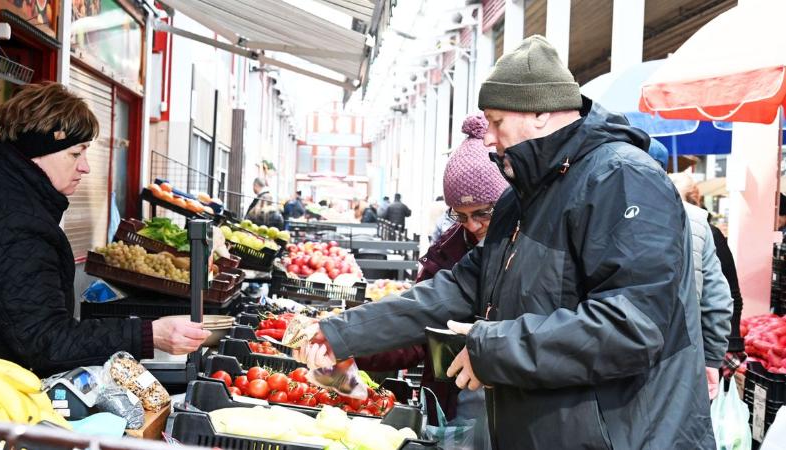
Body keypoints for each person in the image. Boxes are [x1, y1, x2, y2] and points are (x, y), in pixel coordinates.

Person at [294, 35, 714, 449]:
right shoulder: (523, 198)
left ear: (540, 115)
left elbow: (632, 326)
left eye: (496, 121)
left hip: (623, 435)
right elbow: (460, 288)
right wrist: (341, 333)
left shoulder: (621, 179)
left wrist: (491, 349)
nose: (488, 138)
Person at [0, 83, 209, 376]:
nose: (86, 167)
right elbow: (45, 341)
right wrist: (149, 334)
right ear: (39, 149)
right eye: (76, 153)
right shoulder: (18, 222)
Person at [355, 115, 514, 448]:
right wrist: (355, 346)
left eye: (483, 212)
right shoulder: (448, 250)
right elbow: (418, 328)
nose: (472, 225)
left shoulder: (531, 247)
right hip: (454, 403)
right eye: (461, 215)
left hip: (516, 406)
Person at [665, 169, 744, 384]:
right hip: (690, 351)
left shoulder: (711, 233)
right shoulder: (704, 228)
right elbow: (723, 299)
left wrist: (731, 346)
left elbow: (730, 294)